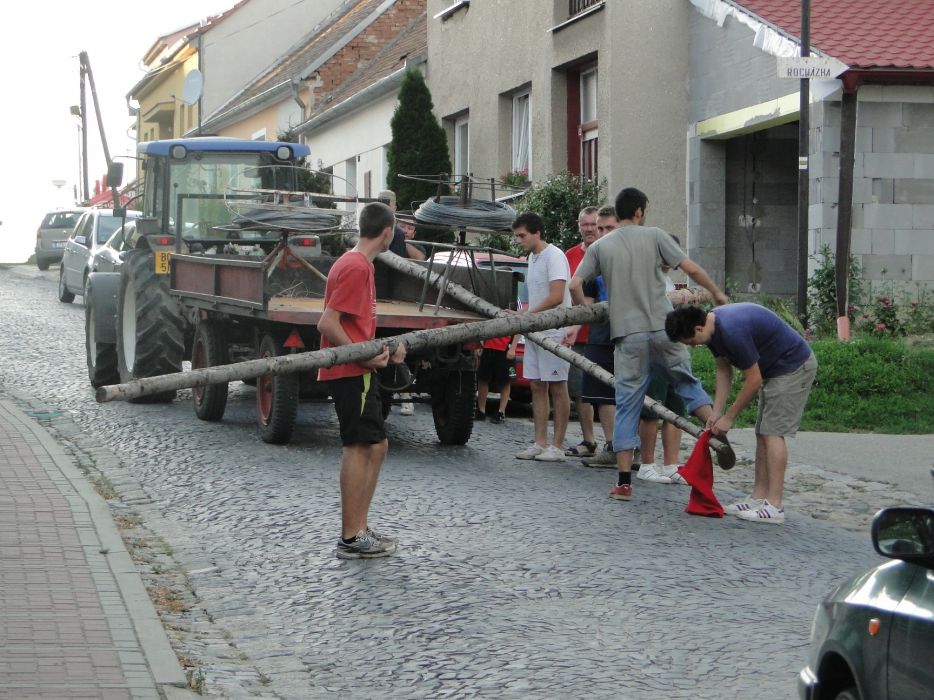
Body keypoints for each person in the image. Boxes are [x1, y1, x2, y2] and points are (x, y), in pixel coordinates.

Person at [570, 187, 728, 502]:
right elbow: (691, 269)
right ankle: (718, 433)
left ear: (618, 212)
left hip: (627, 336)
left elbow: (575, 284)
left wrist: (589, 311)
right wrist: (717, 293)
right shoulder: (655, 236)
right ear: (640, 212)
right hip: (664, 328)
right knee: (686, 383)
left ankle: (624, 482)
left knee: (628, 404)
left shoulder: (601, 246)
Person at [665, 303, 818, 524]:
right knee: (762, 433)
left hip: (793, 367)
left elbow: (753, 380)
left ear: (698, 328)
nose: (693, 346)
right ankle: (758, 497)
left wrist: (729, 417)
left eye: (690, 341)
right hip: (774, 370)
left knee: (773, 433)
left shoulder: (732, 330)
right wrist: (716, 412)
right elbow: (723, 369)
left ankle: (774, 505)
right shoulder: (712, 330)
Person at [317, 201, 407, 558]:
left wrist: (383, 349)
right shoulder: (356, 267)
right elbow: (327, 323)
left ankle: (360, 528)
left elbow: (355, 326)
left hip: (359, 369)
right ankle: (351, 537)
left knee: (376, 445)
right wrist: (363, 356)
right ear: (387, 232)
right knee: (359, 446)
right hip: (351, 372)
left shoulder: (357, 264)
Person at [512, 212, 572, 462]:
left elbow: (556, 296)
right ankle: (540, 442)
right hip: (535, 331)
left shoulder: (555, 256)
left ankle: (557, 446)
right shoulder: (532, 258)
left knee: (557, 386)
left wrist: (528, 315)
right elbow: (537, 296)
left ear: (537, 233)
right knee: (537, 385)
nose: (518, 240)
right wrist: (523, 315)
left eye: (522, 235)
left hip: (554, 331)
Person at [636, 232, 689, 486]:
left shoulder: (668, 281)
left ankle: (671, 464)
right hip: (652, 352)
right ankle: (646, 464)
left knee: (675, 409)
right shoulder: (645, 279)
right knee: (651, 410)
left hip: (674, 352)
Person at [579, 205, 619, 468]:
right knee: (602, 393)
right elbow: (585, 298)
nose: (603, 233)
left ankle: (631, 448)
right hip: (601, 332)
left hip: (629, 331)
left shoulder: (632, 253)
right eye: (600, 228)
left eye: (608, 228)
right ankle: (612, 446)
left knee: (628, 392)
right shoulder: (594, 258)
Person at [564, 206, 600, 457]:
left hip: (605, 333)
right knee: (580, 391)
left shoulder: (608, 252)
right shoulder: (570, 255)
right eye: (584, 224)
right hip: (577, 335)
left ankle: (617, 443)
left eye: (593, 224)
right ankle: (589, 441)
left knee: (610, 391)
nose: (589, 229)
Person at [475, 334, 520, 423]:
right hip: (487, 348)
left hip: (505, 349)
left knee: (505, 381)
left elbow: (518, 330)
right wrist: (480, 344)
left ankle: (501, 412)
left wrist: (513, 348)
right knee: (482, 379)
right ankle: (481, 410)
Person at [379, 190, 426, 261]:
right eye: (402, 226)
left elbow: (420, 258)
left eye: (410, 228)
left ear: (414, 234)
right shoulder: (390, 234)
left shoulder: (418, 246)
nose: (405, 231)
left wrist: (402, 240)